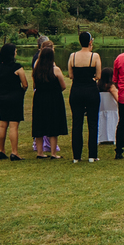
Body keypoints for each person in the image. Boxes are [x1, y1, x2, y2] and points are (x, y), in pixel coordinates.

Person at [67, 31, 102, 163]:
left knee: (77, 123)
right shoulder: (95, 56)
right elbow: (98, 75)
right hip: (91, 90)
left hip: (76, 90)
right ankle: (92, 155)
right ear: (90, 42)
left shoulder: (73, 56)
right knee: (93, 123)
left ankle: (76, 156)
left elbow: (71, 75)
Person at [30, 47, 68, 159]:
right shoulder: (55, 70)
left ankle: (40, 152)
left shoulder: (36, 70)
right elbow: (63, 86)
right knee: (53, 124)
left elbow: (34, 85)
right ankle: (53, 153)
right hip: (53, 98)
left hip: (39, 98)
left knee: (39, 124)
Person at [0, 43, 27, 160]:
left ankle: (1, 150)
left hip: (1, 95)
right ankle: (14, 152)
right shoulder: (17, 67)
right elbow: (25, 84)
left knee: (2, 124)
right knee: (13, 126)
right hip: (14, 96)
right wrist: (21, 91)